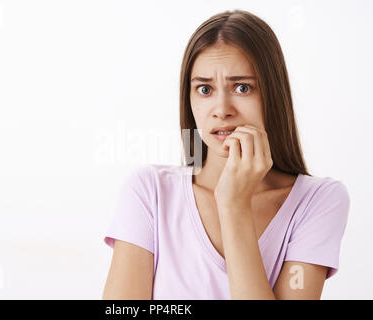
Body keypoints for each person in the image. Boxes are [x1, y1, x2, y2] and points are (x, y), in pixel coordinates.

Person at [102, 9, 350, 300]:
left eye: (242, 88)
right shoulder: (149, 190)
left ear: (273, 94)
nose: (222, 109)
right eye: (205, 89)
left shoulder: (318, 201)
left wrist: (234, 205)